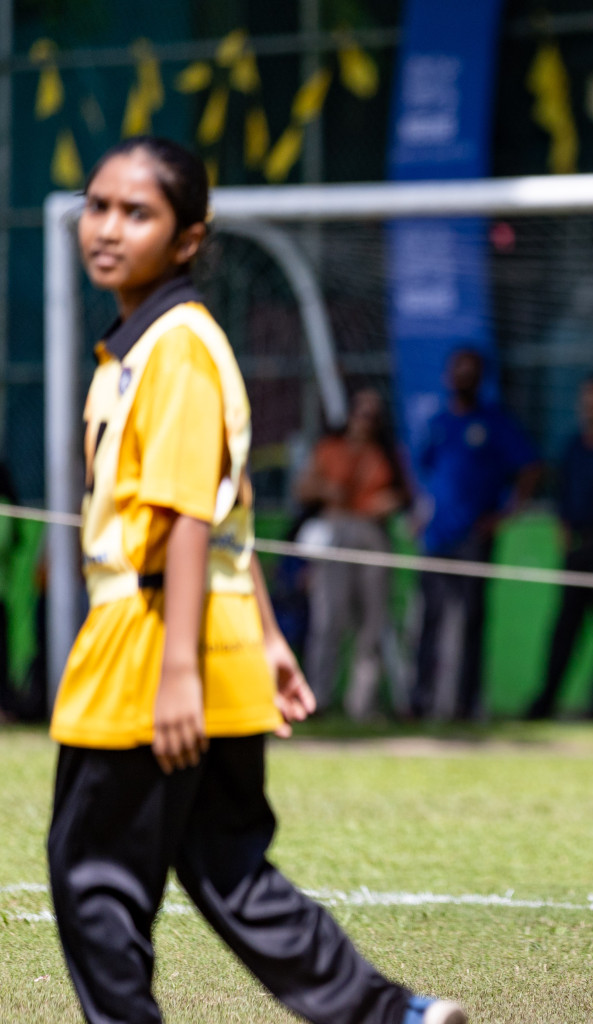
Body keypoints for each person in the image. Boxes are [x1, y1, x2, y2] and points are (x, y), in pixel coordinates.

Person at [47, 137, 464, 1024]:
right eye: (99, 205)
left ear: (190, 237)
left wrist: (182, 673)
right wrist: (267, 638)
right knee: (230, 867)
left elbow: (192, 519)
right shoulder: (138, 347)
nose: (108, 228)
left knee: (94, 877)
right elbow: (231, 515)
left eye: (139, 212)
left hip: (156, 644)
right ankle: (395, 1018)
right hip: (210, 636)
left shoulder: (177, 348)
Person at [412, 348, 541, 721]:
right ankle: (421, 701)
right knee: (429, 621)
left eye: (472, 371)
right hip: (437, 538)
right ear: (448, 376)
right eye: (458, 370)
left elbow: (531, 467)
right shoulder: (438, 422)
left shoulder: (495, 422)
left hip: (474, 538)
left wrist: (506, 514)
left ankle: (465, 705)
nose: (463, 377)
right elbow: (425, 470)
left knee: (470, 622)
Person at [528, 374, 593, 721]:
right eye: (588, 400)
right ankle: (545, 701)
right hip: (578, 549)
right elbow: (563, 495)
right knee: (564, 630)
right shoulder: (572, 447)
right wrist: (563, 530)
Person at [295, 389, 408, 719]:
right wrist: (326, 488)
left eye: (373, 415)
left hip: (372, 534)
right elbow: (302, 488)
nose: (365, 421)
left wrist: (390, 501)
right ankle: (317, 698)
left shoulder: (387, 454)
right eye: (361, 412)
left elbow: (406, 493)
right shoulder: (330, 449)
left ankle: (361, 704)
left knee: (372, 623)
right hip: (336, 529)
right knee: (328, 619)